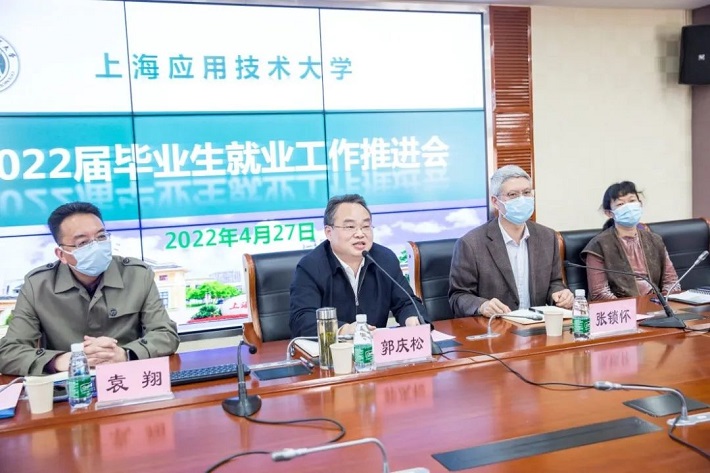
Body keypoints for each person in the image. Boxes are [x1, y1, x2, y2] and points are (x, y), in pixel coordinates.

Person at [0, 202, 180, 376]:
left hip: (130, 380)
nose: (96, 246)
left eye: (101, 237)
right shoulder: (37, 286)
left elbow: (166, 335)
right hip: (69, 386)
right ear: (61, 254)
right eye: (83, 242)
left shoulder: (137, 275)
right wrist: (64, 360)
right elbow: (8, 352)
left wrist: (126, 354)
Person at [290, 194, 426, 337]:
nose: (360, 234)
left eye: (366, 226)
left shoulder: (385, 259)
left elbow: (407, 302)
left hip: (374, 348)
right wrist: (343, 330)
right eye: (350, 227)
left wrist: (411, 318)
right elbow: (301, 319)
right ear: (329, 232)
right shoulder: (311, 266)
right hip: (331, 348)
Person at [449, 165, 573, 317]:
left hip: (536, 326)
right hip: (496, 327)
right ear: (495, 202)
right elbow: (458, 296)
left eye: (526, 193)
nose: (522, 199)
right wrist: (482, 306)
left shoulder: (547, 237)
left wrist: (560, 294)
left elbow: (555, 283)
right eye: (513, 194)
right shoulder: (471, 244)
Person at [581, 181, 679, 301]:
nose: (628, 207)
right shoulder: (598, 245)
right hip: (620, 308)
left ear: (640, 204)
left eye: (632, 201)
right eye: (620, 204)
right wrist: (629, 308)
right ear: (609, 213)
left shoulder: (655, 240)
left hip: (657, 304)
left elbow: (671, 282)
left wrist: (663, 303)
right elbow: (599, 293)